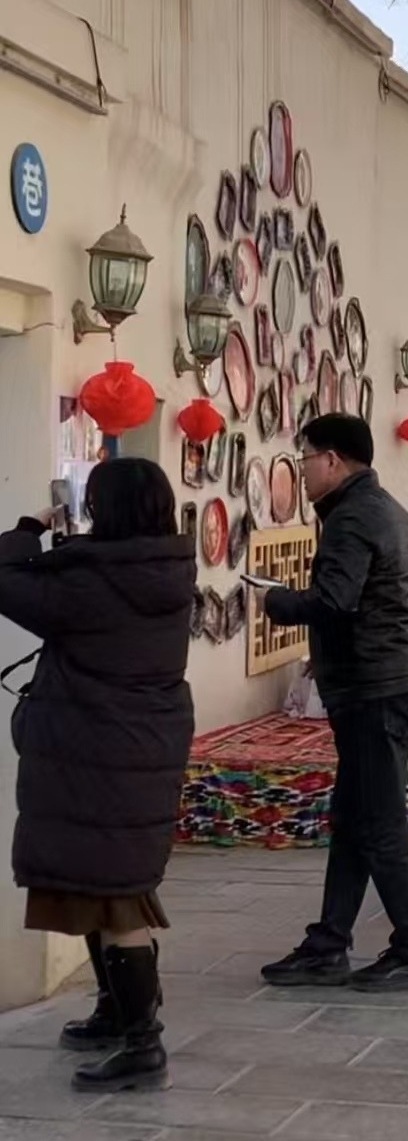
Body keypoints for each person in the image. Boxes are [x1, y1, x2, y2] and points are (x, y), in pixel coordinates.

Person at [0, 458, 196, 1093]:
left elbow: (5, 578)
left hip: (98, 751)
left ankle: (143, 1043)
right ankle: (117, 1010)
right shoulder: (167, 571)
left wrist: (28, 529)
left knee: (114, 898)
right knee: (100, 883)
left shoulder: (92, 582)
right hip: (136, 746)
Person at [257, 414, 408, 992]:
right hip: (391, 682)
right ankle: (328, 944)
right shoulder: (387, 511)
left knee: (379, 827)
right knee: (354, 822)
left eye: (305, 459)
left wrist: (280, 602)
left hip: (374, 690)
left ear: (332, 460)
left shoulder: (353, 517)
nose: (302, 471)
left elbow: (335, 601)